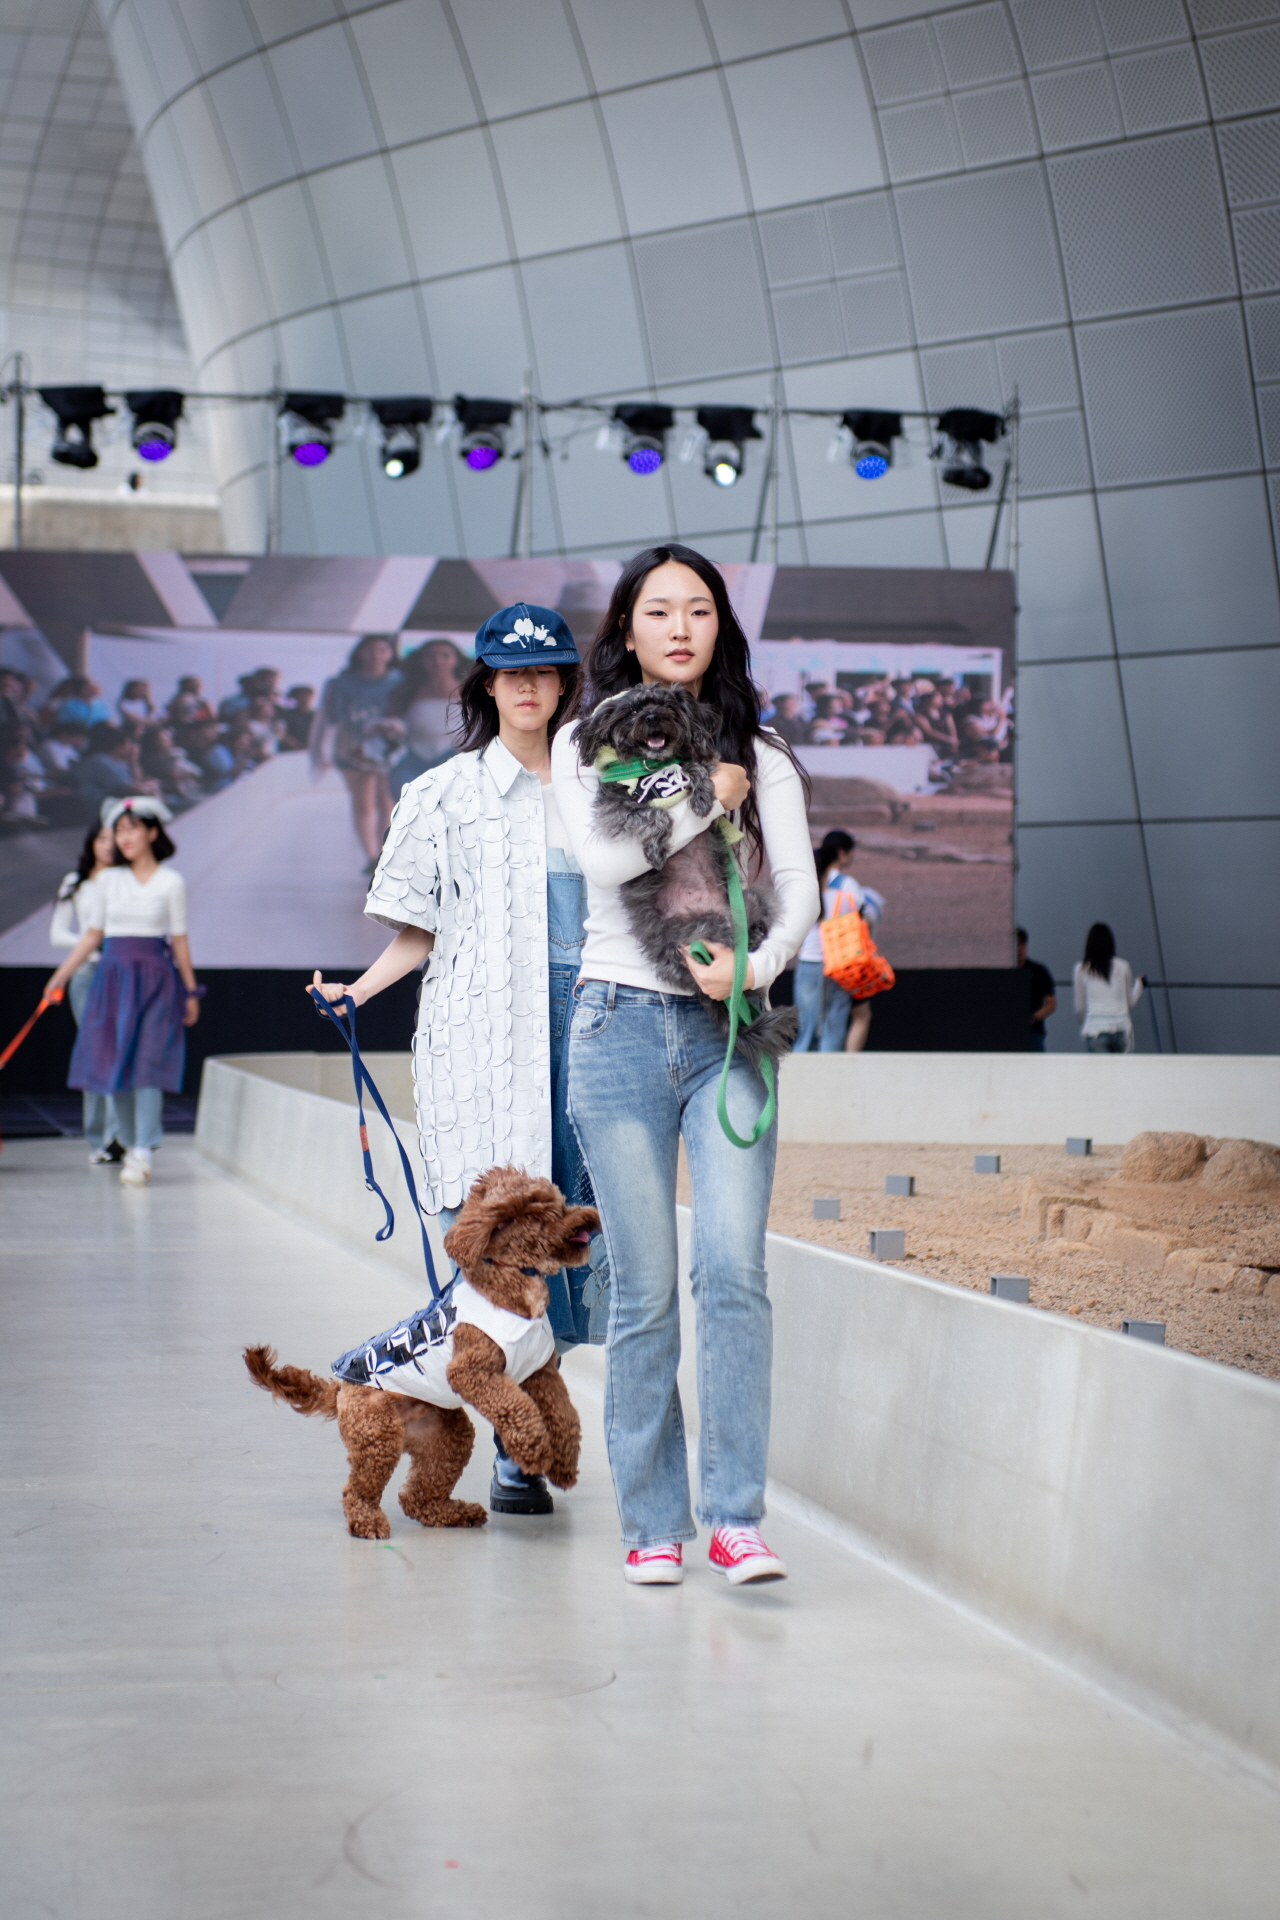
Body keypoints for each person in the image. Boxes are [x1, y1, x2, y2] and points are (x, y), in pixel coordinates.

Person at [552, 544, 818, 1587]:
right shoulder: (586, 742)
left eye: (697, 610)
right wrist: (707, 796)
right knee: (645, 1290)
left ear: (719, 628)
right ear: (626, 629)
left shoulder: (766, 752)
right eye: (657, 610)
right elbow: (608, 859)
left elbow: (799, 892)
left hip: (728, 1033)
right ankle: (652, 1523)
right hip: (615, 1025)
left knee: (733, 1271)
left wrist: (755, 966)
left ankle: (735, 1517)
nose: (678, 627)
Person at [311, 604, 609, 1518]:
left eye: (545, 671)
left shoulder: (603, 787)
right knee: (491, 1249)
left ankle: (535, 1429)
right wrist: (358, 991)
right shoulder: (440, 793)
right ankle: (511, 1453)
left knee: (579, 1238)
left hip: (594, 1032)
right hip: (481, 1045)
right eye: (511, 672)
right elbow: (417, 930)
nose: (528, 686)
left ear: (565, 684)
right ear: (486, 684)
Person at [45, 796, 200, 1186]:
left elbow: (179, 940)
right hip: (112, 979)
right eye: (119, 831)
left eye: (132, 829)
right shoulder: (108, 880)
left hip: (157, 980)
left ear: (152, 832)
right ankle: (129, 1143)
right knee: (115, 1062)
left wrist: (190, 991)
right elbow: (92, 935)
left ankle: (143, 1148)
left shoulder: (171, 881)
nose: (124, 838)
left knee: (148, 1064)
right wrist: (60, 977)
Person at [49, 820, 120, 1162]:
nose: (108, 845)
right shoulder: (75, 882)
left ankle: (120, 1136)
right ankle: (98, 1140)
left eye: (114, 839)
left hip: (122, 973)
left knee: (120, 1052)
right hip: (88, 973)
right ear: (91, 842)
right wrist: (90, 948)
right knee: (96, 1054)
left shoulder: (126, 880)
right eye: (102, 838)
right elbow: (57, 934)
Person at [313, 634, 403, 871]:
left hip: (389, 749)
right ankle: (371, 856)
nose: (375, 655)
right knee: (362, 803)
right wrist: (320, 751)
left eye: (382, 650)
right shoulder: (341, 683)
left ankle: (384, 853)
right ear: (359, 653)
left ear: (390, 654)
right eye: (369, 650)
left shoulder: (400, 682)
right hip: (352, 748)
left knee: (387, 802)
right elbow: (329, 718)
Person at [792, 830, 883, 1054]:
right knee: (834, 1024)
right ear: (841, 853)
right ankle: (831, 1072)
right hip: (841, 964)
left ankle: (801, 1071)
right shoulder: (847, 889)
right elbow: (863, 922)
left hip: (810, 962)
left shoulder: (806, 889)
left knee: (806, 1027)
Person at [385, 637, 470, 790]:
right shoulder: (406, 692)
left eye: (445, 656)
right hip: (413, 758)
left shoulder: (473, 691)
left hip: (458, 758)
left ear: (456, 660)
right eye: (431, 656)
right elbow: (389, 722)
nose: (438, 661)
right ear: (421, 661)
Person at [1073, 922, 1144, 1053]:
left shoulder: (1081, 969)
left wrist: (1086, 1023)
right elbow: (1130, 1002)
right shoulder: (1123, 966)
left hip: (1095, 1029)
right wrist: (1139, 985)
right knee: (1122, 1067)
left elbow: (1079, 1009)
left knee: (1100, 1067)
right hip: (1122, 1029)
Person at [1016, 926, 1056, 1051]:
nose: (1018, 948)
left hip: (1033, 1032)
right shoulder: (1003, 972)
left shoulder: (1038, 971)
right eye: (1015, 944)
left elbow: (1051, 1004)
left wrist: (1033, 1017)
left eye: (1021, 944)